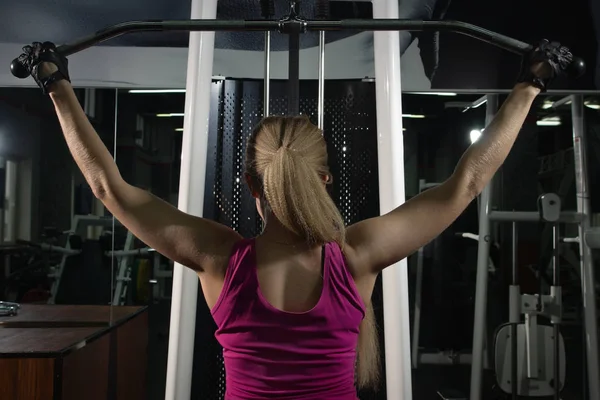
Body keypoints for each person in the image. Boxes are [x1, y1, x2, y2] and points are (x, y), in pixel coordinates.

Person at [17, 39, 572, 399]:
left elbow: (106, 187)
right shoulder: (357, 256)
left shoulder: (220, 259)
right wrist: (531, 85)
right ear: (325, 179)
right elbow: (468, 182)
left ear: (252, 185)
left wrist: (55, 82)